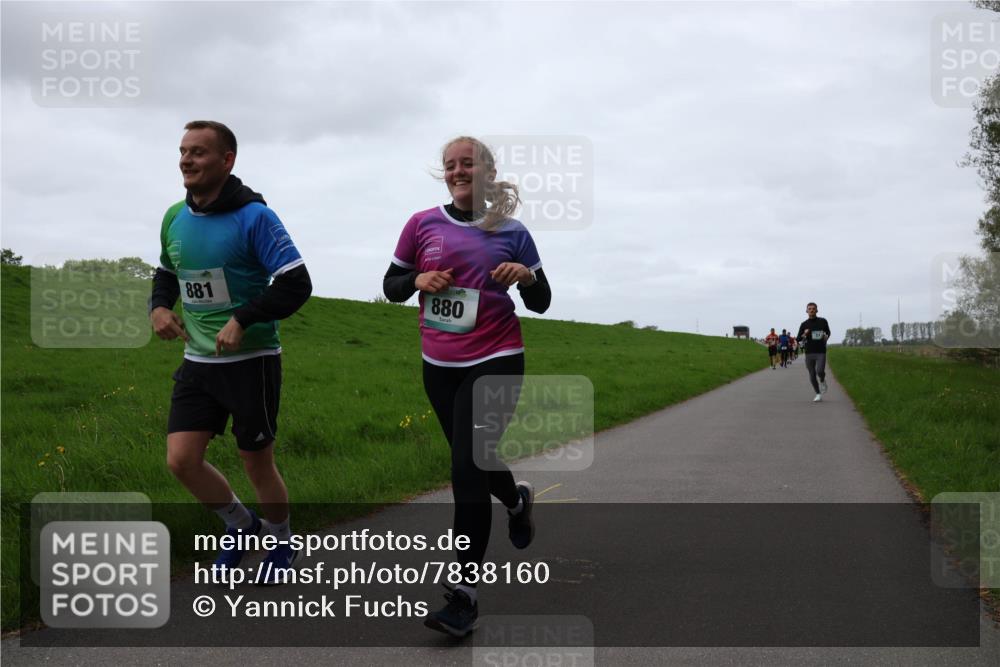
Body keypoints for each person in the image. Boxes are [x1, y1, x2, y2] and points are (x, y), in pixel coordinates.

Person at [382, 136, 551, 637]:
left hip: (498, 356)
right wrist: (417, 281)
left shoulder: (513, 231)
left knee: (466, 467)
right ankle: (517, 501)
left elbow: (541, 301)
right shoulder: (422, 224)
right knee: (471, 456)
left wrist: (525, 276)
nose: (457, 171)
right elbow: (392, 285)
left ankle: (464, 596)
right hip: (439, 362)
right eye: (450, 165)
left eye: (467, 164)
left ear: (487, 172)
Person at [150, 120, 312, 583]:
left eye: (198, 152)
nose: (186, 160)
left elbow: (297, 283)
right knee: (181, 459)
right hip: (197, 361)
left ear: (227, 161)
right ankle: (241, 526)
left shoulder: (255, 218)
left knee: (256, 462)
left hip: (252, 362)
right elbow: (167, 272)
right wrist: (160, 307)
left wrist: (243, 318)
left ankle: (281, 541)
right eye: (182, 151)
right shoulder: (173, 218)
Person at [796, 302, 832, 402]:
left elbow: (828, 332)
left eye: (813, 308)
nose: (811, 310)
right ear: (806, 311)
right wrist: (804, 333)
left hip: (821, 351)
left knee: (819, 371)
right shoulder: (804, 324)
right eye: (809, 309)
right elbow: (798, 338)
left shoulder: (823, 321)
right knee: (812, 375)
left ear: (817, 310)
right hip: (809, 352)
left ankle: (822, 380)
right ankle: (818, 394)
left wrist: (826, 336)